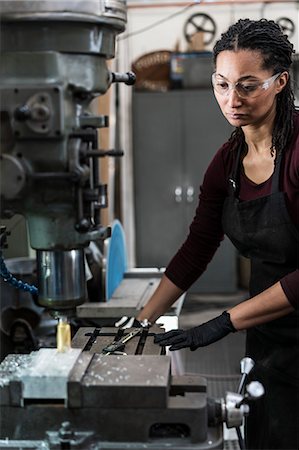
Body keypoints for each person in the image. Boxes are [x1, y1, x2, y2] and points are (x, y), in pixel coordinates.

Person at [134, 18, 299, 450]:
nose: (232, 99)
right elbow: (198, 246)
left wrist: (223, 323)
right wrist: (140, 322)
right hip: (271, 336)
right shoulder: (228, 162)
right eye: (222, 84)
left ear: (280, 81)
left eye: (248, 85)